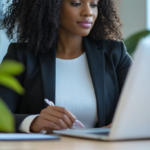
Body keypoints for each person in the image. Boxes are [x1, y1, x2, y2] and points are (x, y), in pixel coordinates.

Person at [0, 0, 132, 133]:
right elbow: (2, 115)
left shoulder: (114, 53)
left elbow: (142, 106)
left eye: (93, 5)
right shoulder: (21, 55)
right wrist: (33, 122)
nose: (88, 12)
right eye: (76, 3)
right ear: (51, 7)